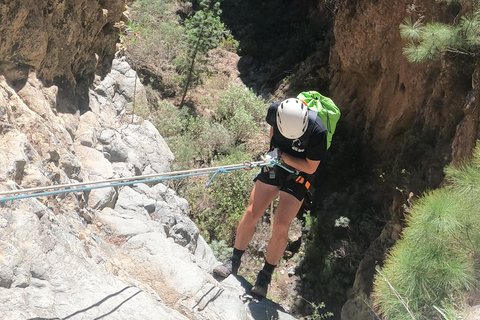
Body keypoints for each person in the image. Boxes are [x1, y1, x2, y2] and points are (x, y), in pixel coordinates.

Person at [213, 97, 328, 297]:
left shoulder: (318, 130)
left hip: (301, 172)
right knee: (252, 212)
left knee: (282, 225)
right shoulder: (275, 111)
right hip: (276, 160)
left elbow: (311, 166)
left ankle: (265, 276)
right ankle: (233, 261)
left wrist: (283, 156)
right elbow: (273, 130)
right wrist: (272, 151)